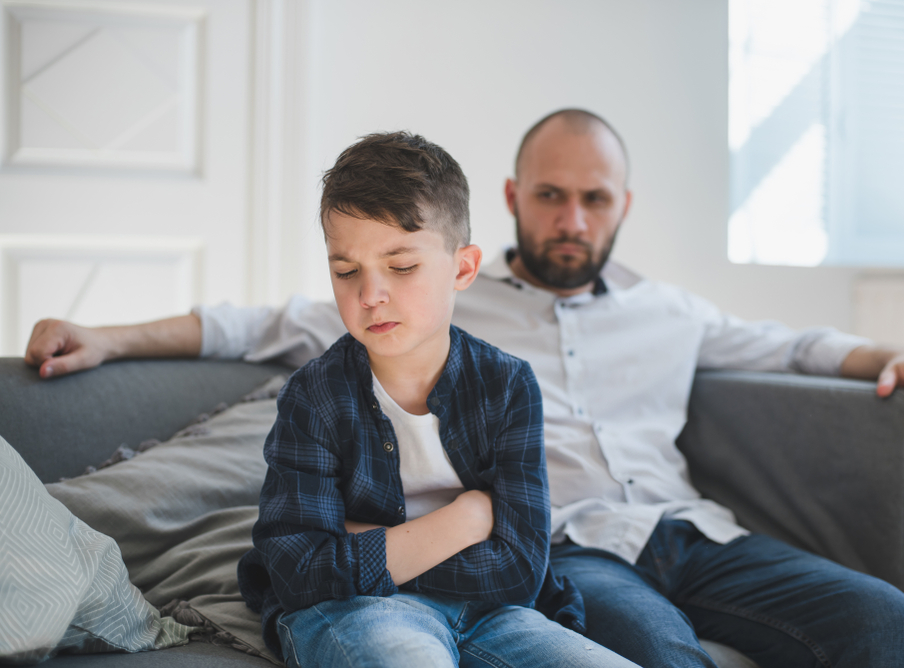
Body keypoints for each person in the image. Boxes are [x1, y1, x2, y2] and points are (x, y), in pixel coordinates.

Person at [24, 110, 904, 668]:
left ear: (622, 207)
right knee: (658, 651)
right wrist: (110, 337)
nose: (572, 219)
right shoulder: (398, 310)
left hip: (686, 532)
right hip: (577, 549)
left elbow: (794, 344)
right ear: (516, 198)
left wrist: (897, 354)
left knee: (889, 623)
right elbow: (251, 329)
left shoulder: (659, 314)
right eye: (551, 195)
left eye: (594, 199)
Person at [233, 131, 637, 668]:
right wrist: (463, 523)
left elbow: (519, 570)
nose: (370, 295)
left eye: (401, 267)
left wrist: (368, 545)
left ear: (463, 269)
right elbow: (300, 570)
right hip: (357, 608)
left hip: (494, 612)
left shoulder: (508, 385)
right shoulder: (314, 395)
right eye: (345, 271)